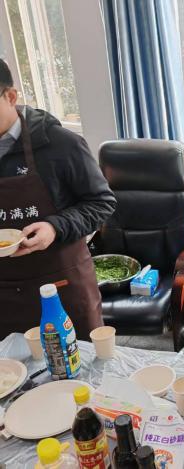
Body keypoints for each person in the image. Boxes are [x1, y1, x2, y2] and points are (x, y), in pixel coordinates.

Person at [0, 59, 116, 339]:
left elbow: (101, 202)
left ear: (11, 97)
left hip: (62, 286)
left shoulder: (60, 144)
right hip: (6, 295)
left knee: (80, 362)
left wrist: (54, 227)